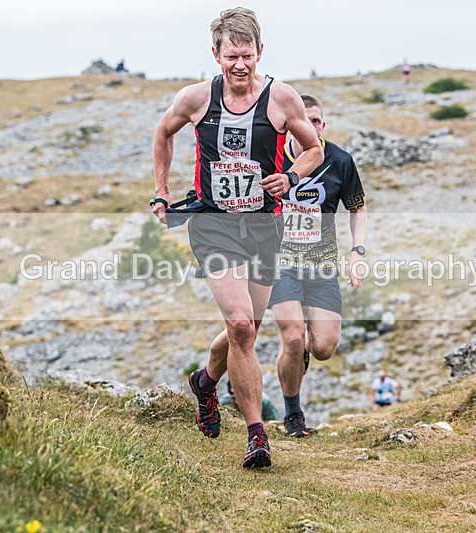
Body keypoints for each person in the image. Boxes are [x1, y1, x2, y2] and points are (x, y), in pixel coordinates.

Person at [151, 7, 323, 469]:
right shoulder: (195, 98)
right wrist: (162, 191)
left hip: (265, 226)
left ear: (260, 52)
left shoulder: (281, 99)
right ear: (216, 55)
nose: (240, 65)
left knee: (247, 325)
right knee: (242, 326)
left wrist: (288, 178)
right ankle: (256, 435)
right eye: (231, 57)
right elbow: (163, 133)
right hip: (214, 224)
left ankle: (205, 383)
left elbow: (314, 149)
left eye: (247, 55)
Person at [269, 95, 367, 438]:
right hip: (280, 263)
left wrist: (357, 252)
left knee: (323, 347)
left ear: (323, 125)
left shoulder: (340, 160)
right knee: (293, 339)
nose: (312, 126)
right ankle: (293, 414)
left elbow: (357, 208)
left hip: (323, 265)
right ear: (291, 123)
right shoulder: (275, 156)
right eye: (305, 120)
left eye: (317, 121)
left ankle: (303, 355)